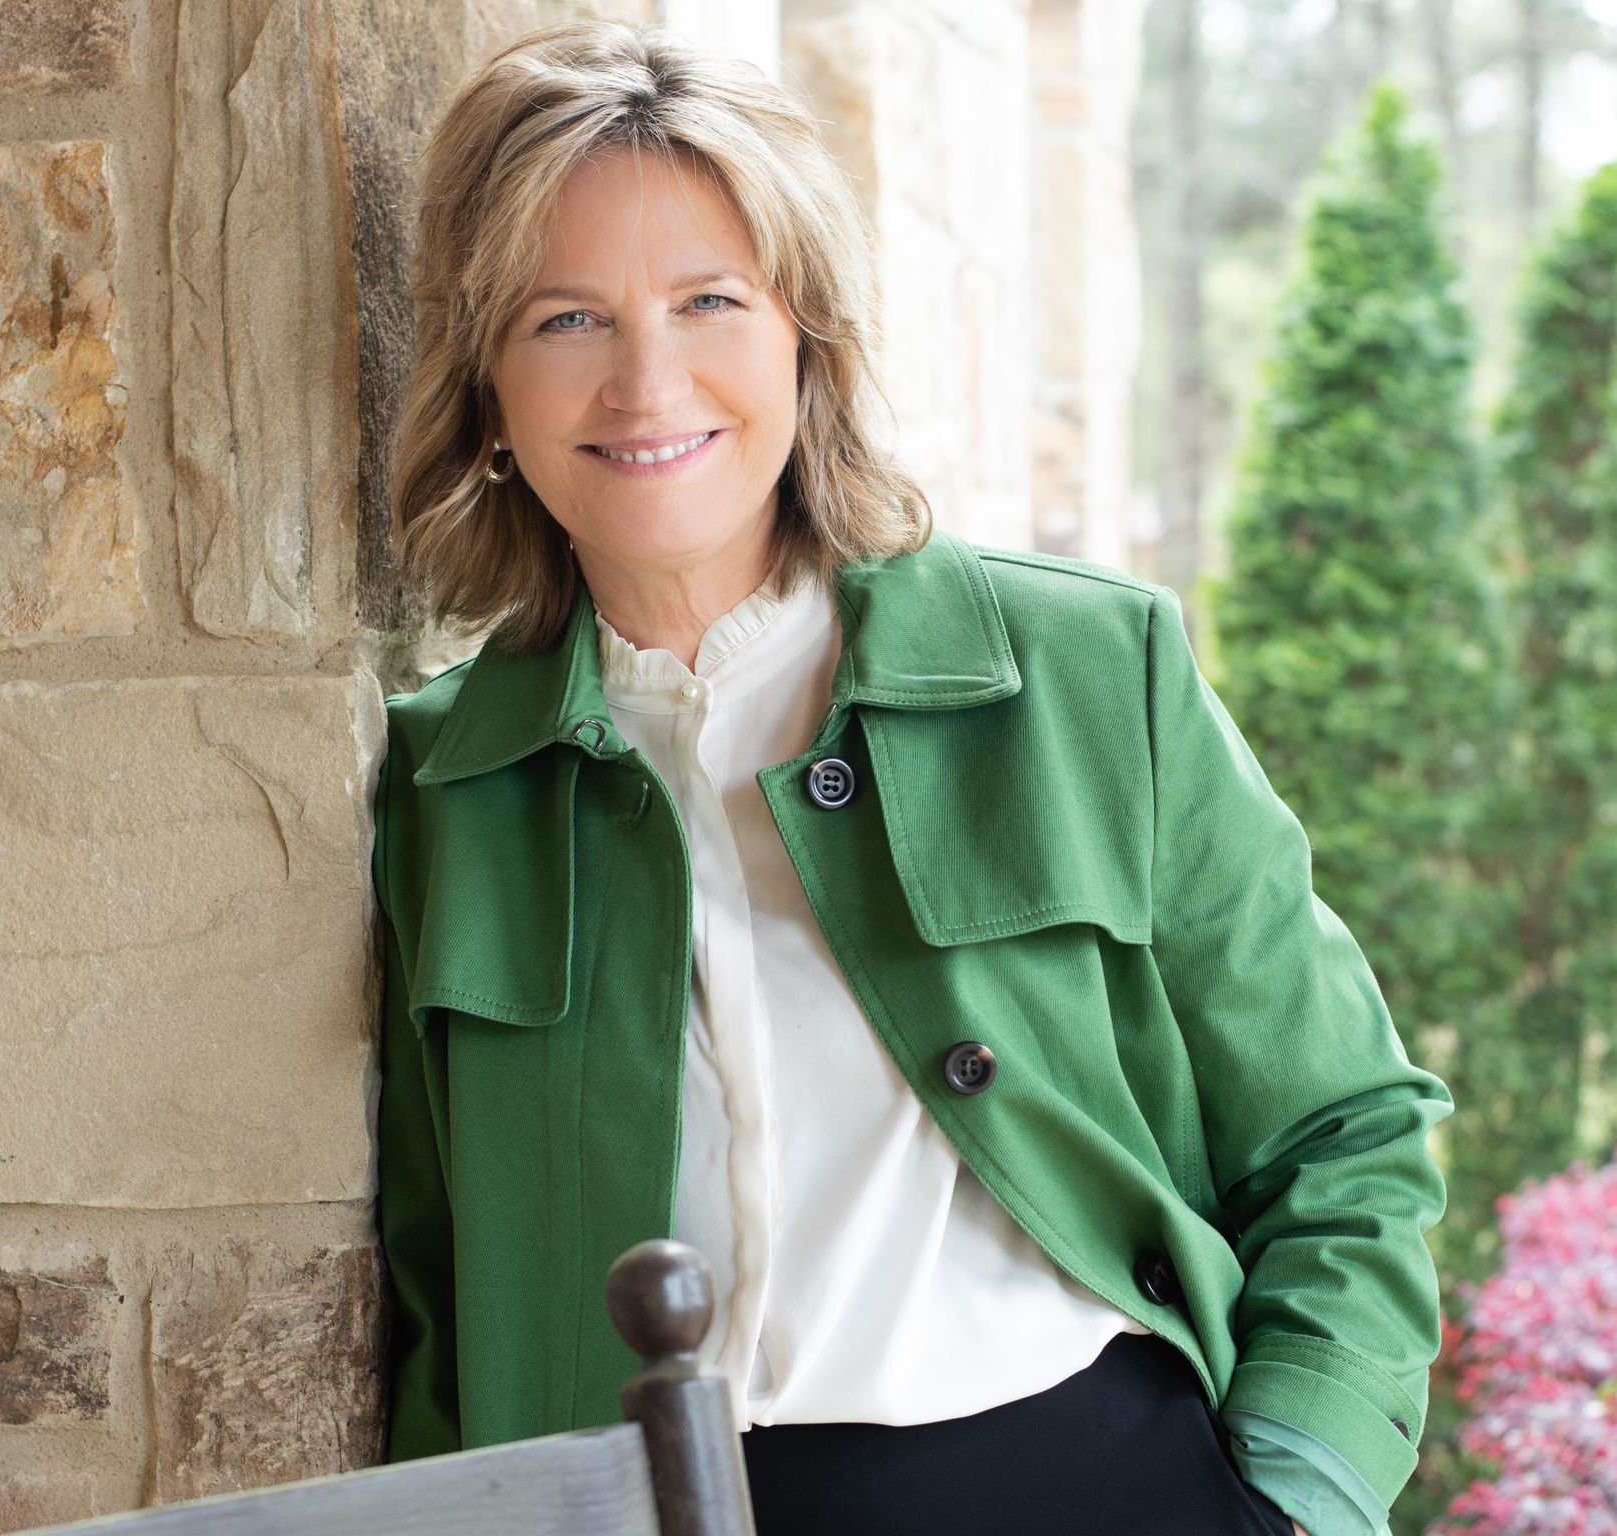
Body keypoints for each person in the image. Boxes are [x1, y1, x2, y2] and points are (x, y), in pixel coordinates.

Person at [372, 18, 1453, 1536]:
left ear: (806, 335)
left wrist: (1302, 1490)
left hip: (1100, 1482)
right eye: (565, 320)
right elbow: (429, 1291)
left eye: (709, 302)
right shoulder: (438, 787)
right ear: (485, 381)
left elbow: (1341, 1130)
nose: (645, 383)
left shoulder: (1089, 673)